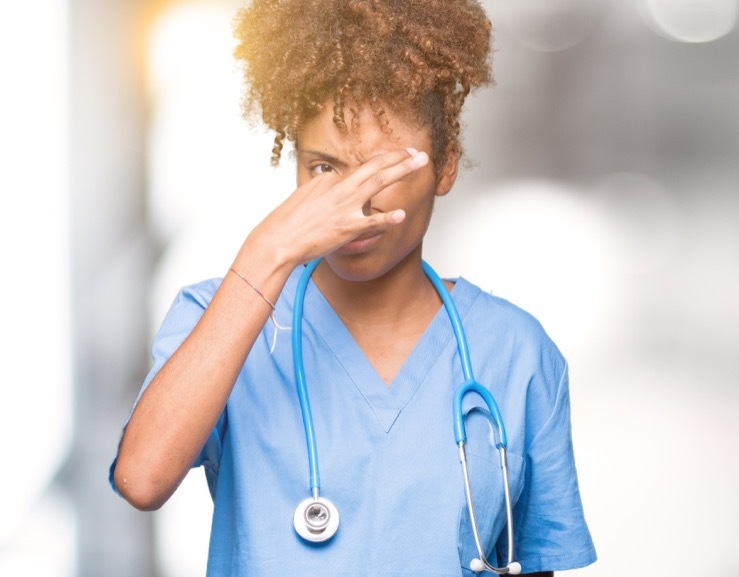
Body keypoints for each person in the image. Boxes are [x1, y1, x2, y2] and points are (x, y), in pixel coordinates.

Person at [108, 0, 597, 575]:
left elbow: (530, 561)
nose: (353, 204)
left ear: (445, 166)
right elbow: (141, 480)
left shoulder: (516, 352)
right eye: (323, 169)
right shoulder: (222, 315)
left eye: (384, 170)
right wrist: (266, 253)